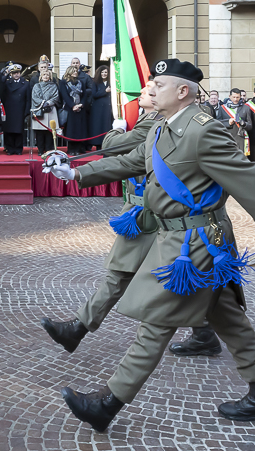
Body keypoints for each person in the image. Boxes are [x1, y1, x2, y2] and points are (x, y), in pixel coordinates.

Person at [47, 58, 255, 431]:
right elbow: (133, 160)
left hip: (196, 242)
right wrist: (76, 171)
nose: (149, 89)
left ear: (182, 91)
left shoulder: (203, 130)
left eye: (158, 84)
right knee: (227, 317)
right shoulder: (160, 129)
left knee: (157, 319)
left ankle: (107, 403)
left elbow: (249, 179)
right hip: (181, 237)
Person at [40, 80, 164, 353]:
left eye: (147, 90)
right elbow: (128, 161)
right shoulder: (153, 120)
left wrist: (114, 131)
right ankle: (206, 332)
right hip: (145, 210)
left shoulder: (155, 123)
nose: (141, 93)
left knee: (119, 274)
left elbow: (115, 149)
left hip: (150, 213)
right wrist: (75, 173)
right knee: (206, 283)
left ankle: (77, 329)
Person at [58, 65, 89, 155]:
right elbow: (64, 95)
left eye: (76, 71)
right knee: (71, 129)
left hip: (80, 109)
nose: (75, 72)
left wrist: (81, 104)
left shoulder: (81, 82)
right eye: (74, 71)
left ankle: (78, 148)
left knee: (80, 129)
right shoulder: (64, 82)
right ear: (69, 72)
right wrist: (72, 106)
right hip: (70, 109)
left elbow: (84, 95)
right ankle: (71, 149)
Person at [2, 64, 31, 155]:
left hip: (20, 110)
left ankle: (18, 149)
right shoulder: (7, 82)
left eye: (18, 72)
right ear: (11, 74)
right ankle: (10, 149)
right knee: (9, 131)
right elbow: (1, 88)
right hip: (9, 109)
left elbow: (28, 99)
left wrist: (26, 111)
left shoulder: (25, 83)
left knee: (19, 131)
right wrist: (5, 74)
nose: (16, 75)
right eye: (14, 73)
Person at [216, 88, 252, 158]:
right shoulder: (223, 108)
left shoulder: (245, 108)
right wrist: (228, 123)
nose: (235, 99)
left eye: (237, 97)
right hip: (228, 137)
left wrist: (244, 124)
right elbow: (218, 123)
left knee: (241, 160)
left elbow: (250, 125)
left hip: (241, 138)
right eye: (234, 97)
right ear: (230, 96)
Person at [31, 70, 61, 154]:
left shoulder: (54, 86)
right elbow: (34, 97)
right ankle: (40, 150)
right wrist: (42, 103)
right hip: (39, 110)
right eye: (44, 75)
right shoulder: (36, 86)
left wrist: (48, 103)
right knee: (39, 132)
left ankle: (48, 149)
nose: (46, 76)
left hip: (50, 110)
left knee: (49, 132)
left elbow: (56, 96)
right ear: (41, 76)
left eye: (47, 75)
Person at [88, 66, 114, 149]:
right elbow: (94, 95)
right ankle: (98, 145)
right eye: (102, 72)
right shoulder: (95, 83)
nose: (104, 74)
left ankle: (106, 144)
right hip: (98, 109)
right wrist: (105, 91)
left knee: (107, 126)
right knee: (98, 127)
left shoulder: (111, 82)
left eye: (106, 72)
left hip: (108, 108)